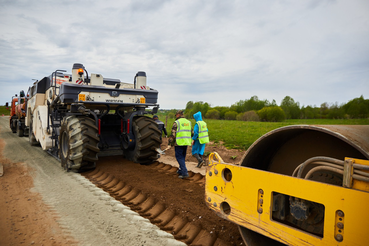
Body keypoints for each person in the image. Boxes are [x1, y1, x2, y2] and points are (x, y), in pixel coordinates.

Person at [168, 110, 191, 179]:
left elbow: (173, 134)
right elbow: (192, 132)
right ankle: (181, 170)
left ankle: (184, 172)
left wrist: (170, 143)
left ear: (178, 115)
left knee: (179, 157)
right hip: (186, 142)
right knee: (182, 157)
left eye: (176, 115)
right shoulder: (188, 122)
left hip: (179, 142)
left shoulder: (176, 123)